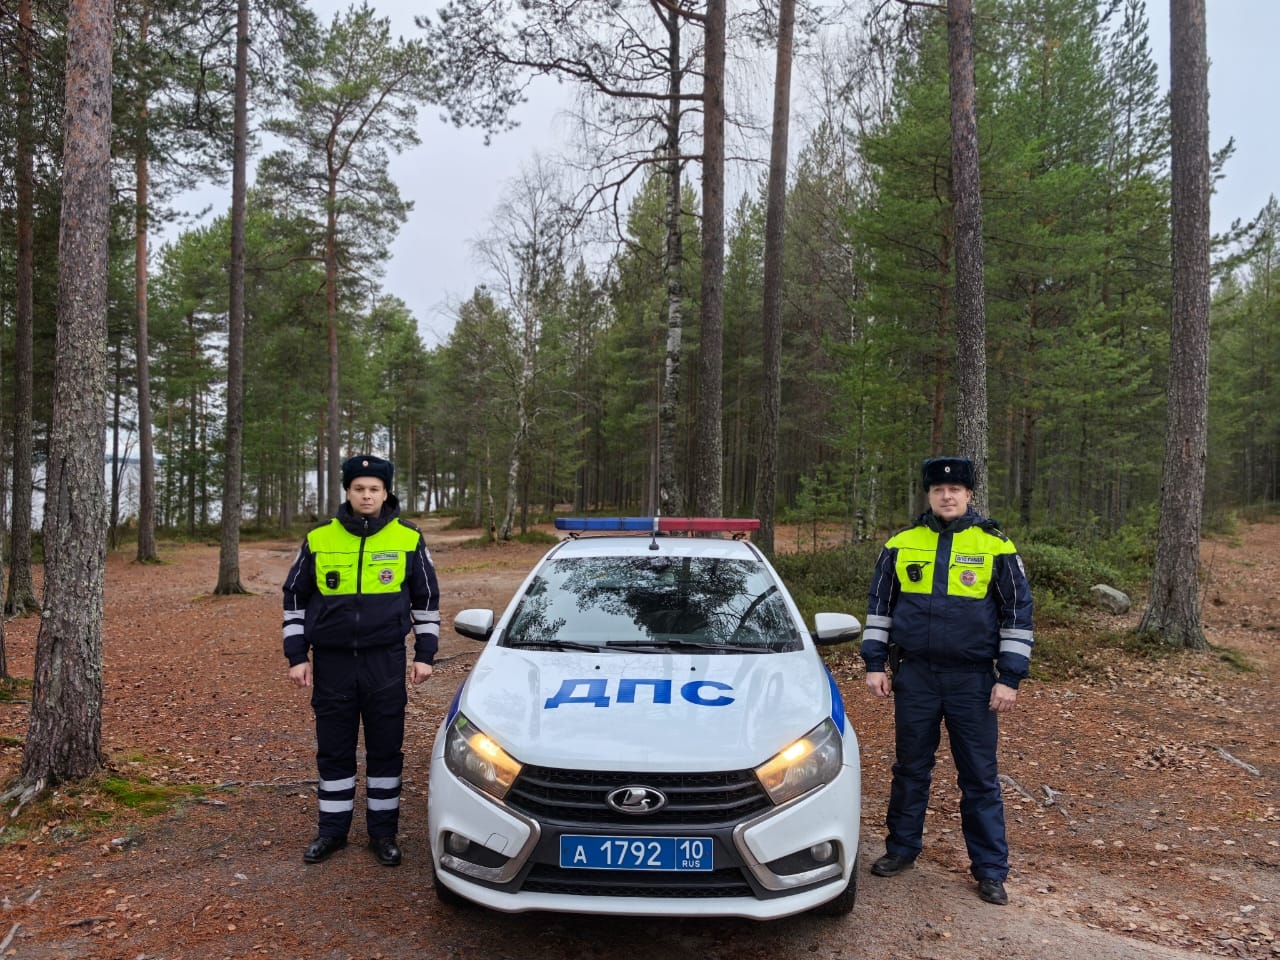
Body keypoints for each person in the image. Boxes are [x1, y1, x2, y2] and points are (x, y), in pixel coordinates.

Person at [860, 456, 1033, 905]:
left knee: (979, 777)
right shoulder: (901, 543)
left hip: (973, 680)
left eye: (955, 490)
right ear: (929, 494)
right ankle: (900, 850)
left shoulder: (995, 545)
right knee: (910, 769)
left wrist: (1009, 677)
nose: (947, 496)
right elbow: (880, 607)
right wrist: (875, 664)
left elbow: (1018, 614)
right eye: (938, 490)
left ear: (970, 494)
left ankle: (991, 870)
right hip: (915, 676)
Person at [282, 454, 441, 867]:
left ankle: (383, 834)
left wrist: (425, 655)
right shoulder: (320, 539)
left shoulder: (408, 538)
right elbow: (295, 599)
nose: (366, 495)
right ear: (348, 492)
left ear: (386, 493)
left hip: (385, 661)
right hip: (332, 662)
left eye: (374, 488)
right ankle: (332, 832)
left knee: (386, 749)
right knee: (334, 749)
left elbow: (425, 600)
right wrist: (297, 655)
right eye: (358, 488)